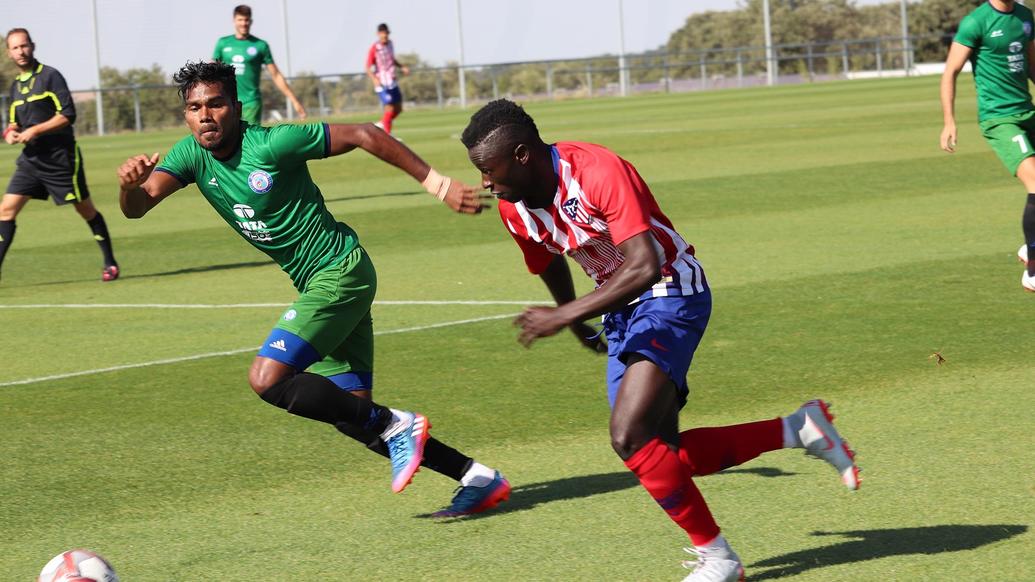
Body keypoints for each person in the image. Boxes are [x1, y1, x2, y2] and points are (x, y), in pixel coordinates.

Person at [461, 99, 860, 581]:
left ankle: (720, 559)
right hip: (619, 308)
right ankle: (798, 429)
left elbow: (645, 264)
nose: (484, 181)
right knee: (658, 453)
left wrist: (567, 312)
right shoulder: (513, 210)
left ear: (521, 154)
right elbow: (547, 261)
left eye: (487, 168)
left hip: (671, 289)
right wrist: (574, 319)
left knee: (627, 436)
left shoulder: (595, 170)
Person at [117, 61, 508, 517]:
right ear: (186, 115)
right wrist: (128, 187)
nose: (205, 115)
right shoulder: (190, 154)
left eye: (216, 104)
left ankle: (398, 424)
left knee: (267, 379)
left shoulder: (271, 144)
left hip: (339, 273)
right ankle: (477, 477)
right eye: (194, 107)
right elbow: (138, 207)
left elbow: (366, 133)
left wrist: (437, 184)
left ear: (236, 108)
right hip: (324, 283)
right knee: (352, 415)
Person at [1, 28, 118, 282]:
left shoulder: (51, 77)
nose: (21, 51)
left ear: (33, 45)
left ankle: (110, 262)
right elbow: (13, 124)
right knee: (6, 210)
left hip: (60, 158)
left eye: (24, 46)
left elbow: (67, 115)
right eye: (15, 48)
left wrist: (36, 130)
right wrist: (10, 133)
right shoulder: (15, 87)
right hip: (31, 161)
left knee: (85, 210)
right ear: (9, 53)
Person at [940, 0, 1035, 291]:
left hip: (1028, 111)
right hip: (999, 119)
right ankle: (1032, 268)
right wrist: (949, 121)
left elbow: (1032, 64)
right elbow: (950, 72)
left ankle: (1029, 245)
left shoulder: (1025, 16)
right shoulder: (975, 23)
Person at [212, 4, 306, 126]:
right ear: (234, 21)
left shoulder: (260, 45)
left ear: (251, 21)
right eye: (240, 20)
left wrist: (294, 101)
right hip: (228, 101)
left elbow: (276, 75)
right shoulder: (223, 43)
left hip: (251, 102)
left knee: (250, 140)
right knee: (227, 139)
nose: (244, 23)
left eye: (246, 20)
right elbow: (212, 71)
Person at [366, 23, 409, 135]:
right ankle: (388, 136)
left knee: (398, 109)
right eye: (382, 33)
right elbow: (368, 67)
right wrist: (374, 79)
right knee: (389, 108)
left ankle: (381, 124)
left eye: (386, 33)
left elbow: (391, 59)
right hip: (382, 84)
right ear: (378, 34)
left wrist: (402, 66)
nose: (384, 35)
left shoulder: (390, 44)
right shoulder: (375, 48)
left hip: (392, 82)